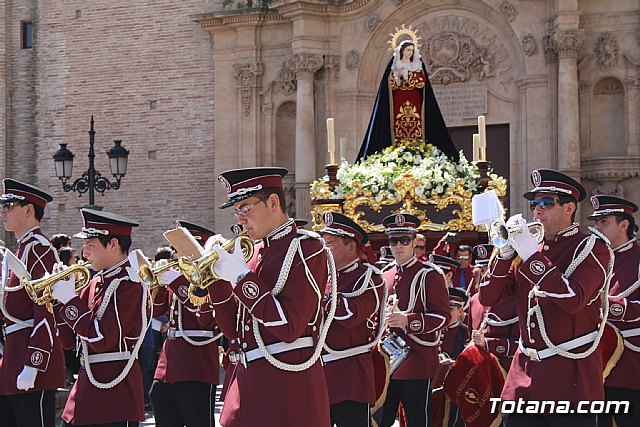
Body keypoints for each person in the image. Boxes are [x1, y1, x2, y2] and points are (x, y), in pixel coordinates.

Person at [478, 169, 612, 426]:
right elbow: (488, 296)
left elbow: (573, 299)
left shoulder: (591, 247)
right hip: (524, 376)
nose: (537, 210)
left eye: (547, 203)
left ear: (569, 208)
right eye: (534, 204)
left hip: (570, 379)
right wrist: (505, 255)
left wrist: (531, 256)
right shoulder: (529, 250)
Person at [206, 167, 334, 426]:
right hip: (246, 384)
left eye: (245, 209)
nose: (240, 220)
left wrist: (241, 277)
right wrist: (215, 278)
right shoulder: (251, 253)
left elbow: (289, 328)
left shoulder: (306, 247)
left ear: (273, 202)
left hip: (287, 390)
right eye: (237, 212)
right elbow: (233, 331)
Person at [51, 208, 148, 426]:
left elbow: (102, 338)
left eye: (90, 245)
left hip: (114, 394)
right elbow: (70, 342)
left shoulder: (128, 285)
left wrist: (70, 300)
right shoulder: (94, 282)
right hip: (85, 389)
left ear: (113, 244)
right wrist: (58, 301)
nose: (84, 253)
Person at [0, 178, 65, 427]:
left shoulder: (39, 249)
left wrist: (34, 363)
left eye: (9, 206)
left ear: (28, 210)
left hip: (31, 357)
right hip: (13, 355)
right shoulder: (20, 250)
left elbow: (46, 310)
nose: (3, 212)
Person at [380, 213, 451, 427]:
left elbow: (443, 317)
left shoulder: (430, 274)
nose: (398, 246)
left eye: (404, 240)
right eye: (393, 240)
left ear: (414, 242)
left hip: (416, 360)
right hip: (386, 361)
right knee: (380, 420)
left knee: (418, 421)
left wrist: (407, 321)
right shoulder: (385, 274)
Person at [149, 220, 222, 427]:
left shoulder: (211, 277)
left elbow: (203, 316)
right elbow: (156, 311)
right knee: (159, 400)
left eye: (180, 249)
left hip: (196, 363)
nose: (175, 255)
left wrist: (174, 281)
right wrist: (158, 286)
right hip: (168, 362)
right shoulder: (178, 276)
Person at [319, 212, 387, 427]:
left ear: (350, 246)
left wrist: (320, 293)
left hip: (351, 377)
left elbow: (351, 315)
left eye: (330, 244)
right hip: (320, 375)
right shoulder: (323, 277)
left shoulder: (369, 277)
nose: (324, 249)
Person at [357, 38, 458, 161]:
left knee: (415, 123)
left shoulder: (417, 65)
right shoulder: (394, 66)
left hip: (415, 99)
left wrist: (407, 76)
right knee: (399, 124)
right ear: (402, 51)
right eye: (408, 50)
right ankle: (397, 150)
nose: (410, 53)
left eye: (412, 50)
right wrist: (398, 76)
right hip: (398, 101)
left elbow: (422, 82)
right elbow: (389, 84)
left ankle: (418, 149)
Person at [589, 195, 640, 427]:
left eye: (604, 222)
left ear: (624, 225)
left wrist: (607, 304)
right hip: (593, 365)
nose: (597, 227)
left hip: (629, 369)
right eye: (596, 222)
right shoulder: (592, 259)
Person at [429, 287, 469, 427]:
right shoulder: (431, 329)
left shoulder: (465, 333)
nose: (446, 313)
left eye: (450, 309)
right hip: (428, 387)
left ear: (460, 311)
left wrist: (452, 363)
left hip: (451, 390)